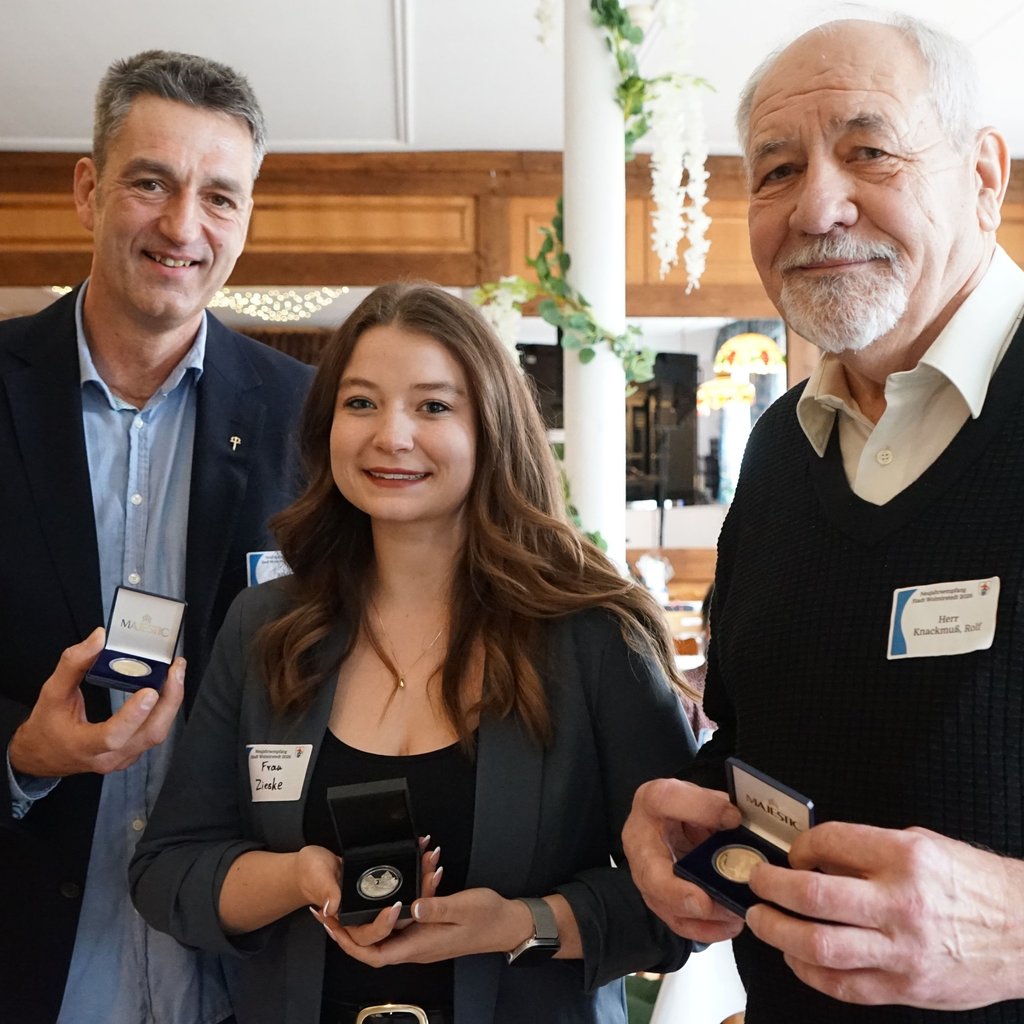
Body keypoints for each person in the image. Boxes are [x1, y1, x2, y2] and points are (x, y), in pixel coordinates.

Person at [130, 281, 697, 1024]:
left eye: (433, 406)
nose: (390, 436)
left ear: (490, 427)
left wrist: (518, 924)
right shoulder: (266, 624)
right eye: (360, 403)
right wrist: (300, 877)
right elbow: (169, 870)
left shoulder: (594, 634)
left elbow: (683, 891)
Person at [622, 12, 1024, 1023]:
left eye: (868, 150)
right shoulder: (776, 452)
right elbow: (782, 732)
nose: (818, 206)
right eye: (773, 170)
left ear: (984, 174)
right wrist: (693, 806)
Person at [0, 51, 313, 1024]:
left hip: (237, 977)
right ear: (89, 190)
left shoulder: (308, 421)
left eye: (220, 195)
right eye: (152, 182)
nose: (184, 226)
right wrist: (20, 752)